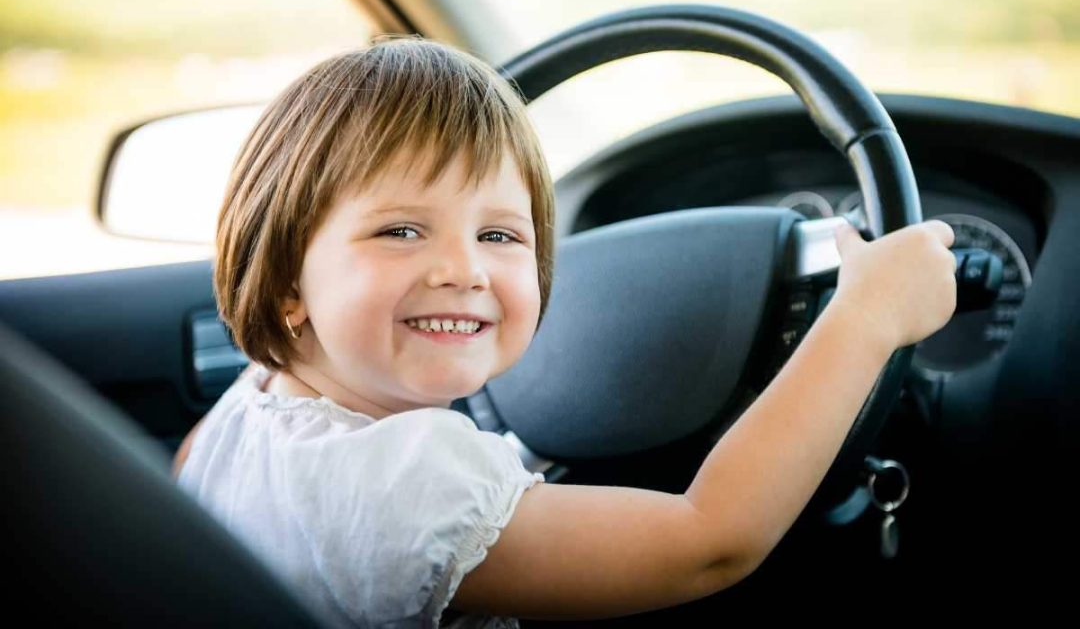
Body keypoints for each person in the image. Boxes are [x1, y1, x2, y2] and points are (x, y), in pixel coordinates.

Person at [174, 37, 956, 627]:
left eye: (502, 237)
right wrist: (865, 316)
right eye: (403, 231)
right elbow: (711, 541)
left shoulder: (242, 414)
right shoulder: (416, 482)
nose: (465, 271)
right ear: (284, 285)